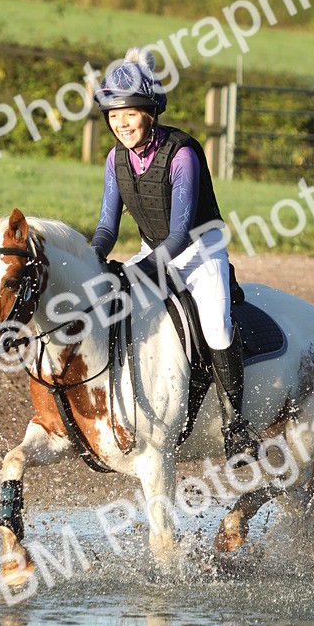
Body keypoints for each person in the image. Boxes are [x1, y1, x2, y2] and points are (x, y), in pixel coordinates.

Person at [91, 48, 256, 459]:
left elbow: (181, 233)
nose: (120, 123)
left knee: (216, 326)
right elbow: (108, 227)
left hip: (201, 252)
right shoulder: (116, 160)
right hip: (154, 250)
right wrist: (90, 256)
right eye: (113, 116)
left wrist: (142, 269)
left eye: (128, 113)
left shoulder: (183, 153)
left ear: (149, 111)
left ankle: (236, 426)